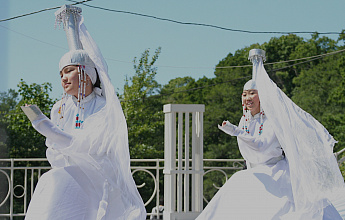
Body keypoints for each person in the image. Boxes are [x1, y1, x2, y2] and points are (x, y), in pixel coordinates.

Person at [21, 5, 146, 220]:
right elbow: (54, 152)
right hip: (70, 172)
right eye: (61, 73)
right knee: (51, 182)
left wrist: (52, 132)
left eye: (69, 70)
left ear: (86, 74)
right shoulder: (59, 108)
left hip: (100, 174)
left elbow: (92, 147)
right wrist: (53, 138)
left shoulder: (103, 106)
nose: (63, 77)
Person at [196, 49, 344, 220]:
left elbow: (262, 146)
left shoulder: (273, 120)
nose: (247, 97)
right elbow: (249, 151)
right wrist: (238, 130)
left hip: (277, 171)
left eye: (252, 93)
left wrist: (236, 131)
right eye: (244, 94)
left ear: (262, 96)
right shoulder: (244, 119)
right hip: (255, 172)